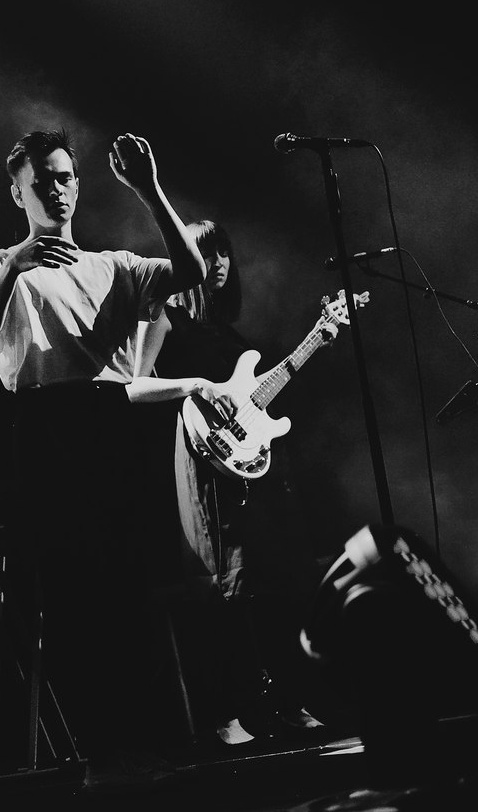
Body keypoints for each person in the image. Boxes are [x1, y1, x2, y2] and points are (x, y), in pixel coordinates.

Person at [0, 129, 237, 788]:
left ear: (77, 184)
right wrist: (22, 257)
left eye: (64, 178)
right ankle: (101, 752)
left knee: (130, 587)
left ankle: (146, 746)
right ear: (18, 193)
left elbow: (191, 273)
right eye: (41, 182)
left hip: (110, 420)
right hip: (46, 423)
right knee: (72, 590)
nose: (55, 190)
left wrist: (148, 187)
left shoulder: (114, 266)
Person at [134, 219, 329, 747]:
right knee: (226, 586)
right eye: (207, 252)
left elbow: (253, 399)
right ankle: (229, 711)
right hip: (201, 462)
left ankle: (288, 700)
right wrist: (197, 389)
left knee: (275, 581)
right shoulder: (165, 315)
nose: (219, 262)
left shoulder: (231, 334)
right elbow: (135, 384)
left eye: (224, 252)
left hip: (253, 469)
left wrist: (315, 342)